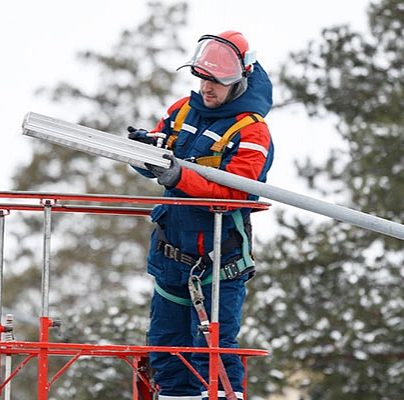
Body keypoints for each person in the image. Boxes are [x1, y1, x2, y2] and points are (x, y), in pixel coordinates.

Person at [128, 30, 273, 400]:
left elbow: (236, 193)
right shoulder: (181, 111)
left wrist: (179, 176)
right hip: (170, 258)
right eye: (203, 78)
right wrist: (142, 153)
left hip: (218, 264)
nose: (207, 88)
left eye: (217, 81)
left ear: (240, 79)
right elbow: (159, 153)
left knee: (214, 355)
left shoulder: (252, 131)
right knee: (166, 351)